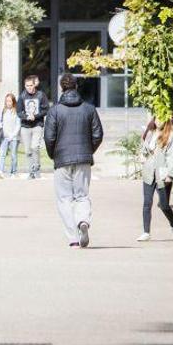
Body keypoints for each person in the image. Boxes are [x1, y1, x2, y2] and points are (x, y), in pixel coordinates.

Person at [44, 73, 103, 249]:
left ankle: (73, 238)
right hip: (83, 158)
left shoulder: (54, 110)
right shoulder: (89, 109)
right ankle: (83, 220)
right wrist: (88, 150)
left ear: (62, 88)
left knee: (64, 199)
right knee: (82, 195)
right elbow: (98, 134)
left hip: (62, 158)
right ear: (76, 86)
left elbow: (49, 137)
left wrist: (53, 154)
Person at [137, 118, 173, 242]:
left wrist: (170, 174)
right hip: (149, 172)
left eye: (162, 118)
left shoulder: (170, 134)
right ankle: (146, 232)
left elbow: (171, 155)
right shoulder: (150, 132)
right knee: (147, 202)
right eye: (157, 118)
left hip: (162, 174)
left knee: (164, 205)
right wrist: (142, 156)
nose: (159, 121)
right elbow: (144, 149)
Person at [17, 75, 50, 179]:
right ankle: (31, 171)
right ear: (25, 86)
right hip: (25, 126)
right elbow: (18, 112)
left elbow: (46, 110)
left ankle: (37, 169)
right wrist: (26, 117)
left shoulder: (41, 95)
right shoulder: (22, 96)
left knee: (35, 147)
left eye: (31, 85)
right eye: (27, 86)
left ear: (34, 85)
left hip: (37, 125)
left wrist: (35, 116)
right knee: (27, 150)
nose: (29, 88)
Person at [0, 93, 21, 177]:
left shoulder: (16, 112)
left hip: (14, 138)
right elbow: (1, 122)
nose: (8, 103)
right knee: (2, 154)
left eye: (10, 101)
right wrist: (0, 125)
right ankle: (0, 170)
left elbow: (18, 125)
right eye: (6, 101)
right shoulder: (3, 111)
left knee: (13, 155)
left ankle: (13, 172)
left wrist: (13, 135)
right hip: (5, 137)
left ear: (13, 102)